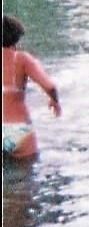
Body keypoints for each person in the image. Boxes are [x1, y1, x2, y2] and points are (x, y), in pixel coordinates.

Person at [3, 15, 61, 159]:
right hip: (19, 130)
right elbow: (50, 86)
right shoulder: (22, 59)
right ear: (16, 38)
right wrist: (55, 101)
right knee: (27, 170)